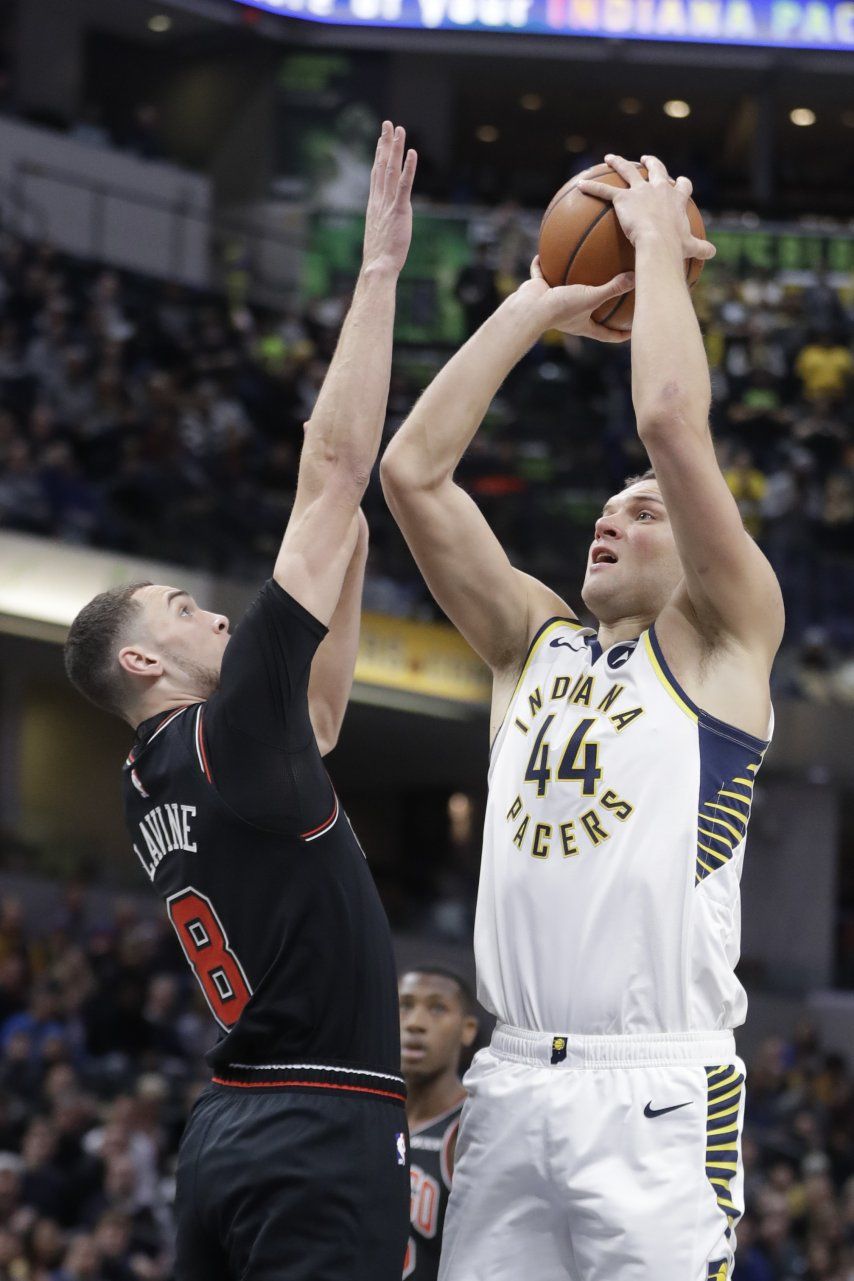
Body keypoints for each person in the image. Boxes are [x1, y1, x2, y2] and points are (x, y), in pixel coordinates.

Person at [381, 153, 784, 1281]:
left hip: (653, 1088)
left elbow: (667, 419)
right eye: (603, 511)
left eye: (642, 512)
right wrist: (535, 301)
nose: (611, 520)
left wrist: (654, 246)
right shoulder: (532, 644)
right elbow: (413, 473)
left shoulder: (722, 641)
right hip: (507, 1078)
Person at [63, 121, 417, 1281]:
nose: (212, 612)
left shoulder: (157, 776)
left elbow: (314, 731)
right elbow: (329, 469)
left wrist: (347, 548)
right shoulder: (231, 733)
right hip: (320, 1125)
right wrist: (376, 274)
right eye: (178, 608)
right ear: (143, 665)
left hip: (228, 1133)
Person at [400, 968, 478, 1281]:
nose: (415, 1023)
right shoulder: (362, 1119)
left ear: (468, 1028)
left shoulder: (474, 1127)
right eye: (405, 1005)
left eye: (437, 1008)